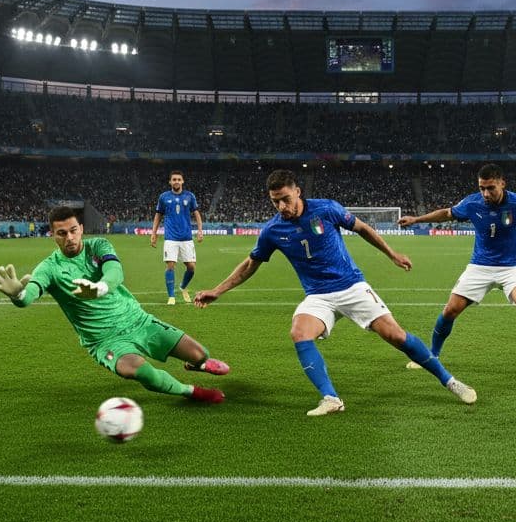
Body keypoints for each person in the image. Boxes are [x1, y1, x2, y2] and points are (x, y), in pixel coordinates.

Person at [193, 169, 477, 416]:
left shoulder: (325, 209)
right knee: (299, 332)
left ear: (298, 192)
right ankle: (331, 398)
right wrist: (218, 290)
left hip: (351, 286)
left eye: (285, 199)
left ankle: (450, 381)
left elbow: (363, 228)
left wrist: (392, 254)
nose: (281, 206)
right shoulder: (272, 230)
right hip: (318, 296)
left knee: (396, 336)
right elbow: (250, 264)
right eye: (274, 201)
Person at [0, 206, 228, 405]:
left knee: (201, 354)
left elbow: (115, 272)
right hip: (105, 340)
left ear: (81, 229)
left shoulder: (98, 246)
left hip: (138, 321)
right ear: (52, 234)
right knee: (141, 371)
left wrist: (98, 288)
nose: (69, 238)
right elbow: (30, 293)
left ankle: (195, 364)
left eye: (73, 231)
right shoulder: (48, 268)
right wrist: (19, 296)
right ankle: (191, 391)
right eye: (62, 233)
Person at [398, 163, 516, 377]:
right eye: (482, 188)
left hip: (511, 266)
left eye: (490, 188)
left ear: (502, 183)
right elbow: (446, 213)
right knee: (450, 310)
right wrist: (417, 219)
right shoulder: (472, 202)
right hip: (479, 266)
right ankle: (432, 355)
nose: (485, 193)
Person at [150, 170, 204, 305]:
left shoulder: (190, 196)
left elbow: (196, 214)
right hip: (170, 237)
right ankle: (171, 296)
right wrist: (154, 232)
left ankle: (182, 287)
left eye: (179, 179)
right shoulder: (163, 197)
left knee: (191, 267)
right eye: (174, 179)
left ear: (183, 181)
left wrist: (200, 230)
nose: (176, 182)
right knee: (170, 266)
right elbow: (158, 215)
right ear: (170, 182)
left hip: (186, 237)